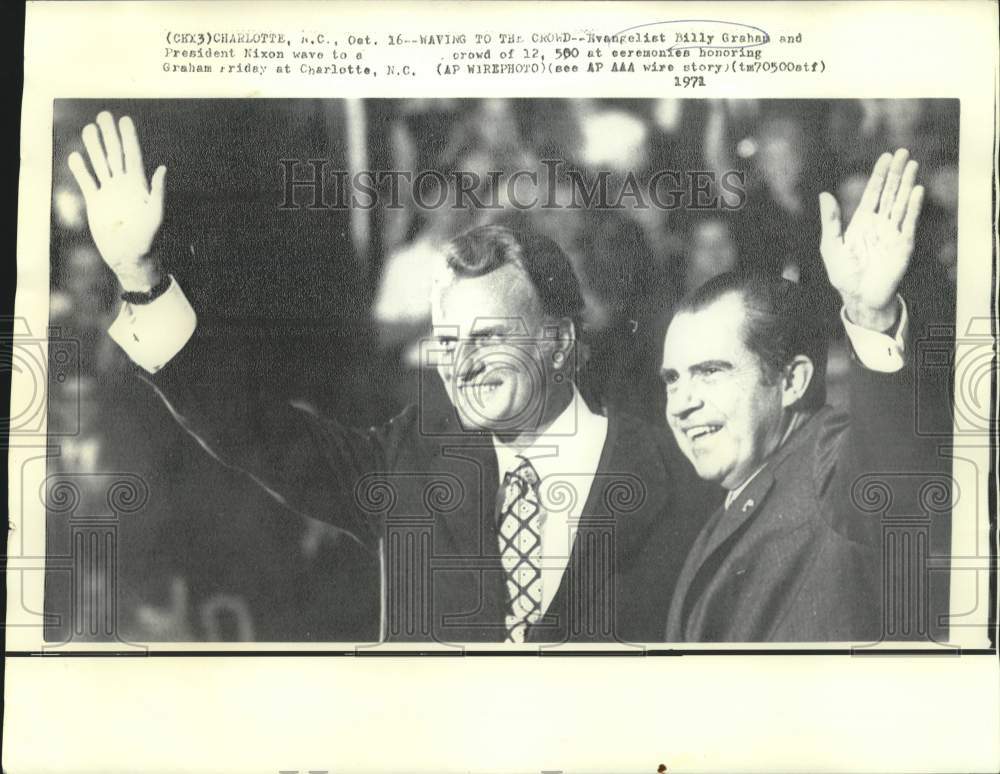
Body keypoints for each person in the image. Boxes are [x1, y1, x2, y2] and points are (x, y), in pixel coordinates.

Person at [67, 111, 714, 644]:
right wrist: (143, 280)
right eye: (450, 340)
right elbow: (247, 428)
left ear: (560, 340)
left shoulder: (673, 473)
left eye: (488, 336)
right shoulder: (407, 462)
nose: (462, 363)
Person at [660, 149, 949, 641]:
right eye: (672, 378)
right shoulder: (731, 497)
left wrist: (870, 318)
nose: (682, 403)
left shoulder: (827, 463)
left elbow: (889, 468)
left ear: (792, 381)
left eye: (710, 371)